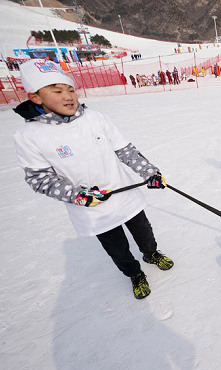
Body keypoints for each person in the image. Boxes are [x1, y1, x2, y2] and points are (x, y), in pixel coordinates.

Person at [12, 60, 175, 300]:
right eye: (57, 91)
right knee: (117, 248)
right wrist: (76, 195)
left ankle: (151, 253)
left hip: (125, 195)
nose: (68, 96)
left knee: (144, 232)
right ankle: (134, 274)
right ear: (35, 97)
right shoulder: (28, 136)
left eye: (70, 89)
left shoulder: (95, 118)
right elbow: (39, 179)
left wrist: (149, 172)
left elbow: (125, 150)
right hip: (91, 208)